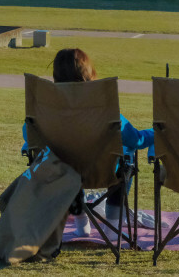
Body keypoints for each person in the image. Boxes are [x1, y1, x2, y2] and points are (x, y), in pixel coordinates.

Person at [22, 48, 157, 230]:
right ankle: (113, 223)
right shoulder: (103, 108)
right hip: (103, 172)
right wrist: (155, 133)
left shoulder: (43, 109)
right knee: (127, 155)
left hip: (60, 173)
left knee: (68, 160)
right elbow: (135, 140)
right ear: (89, 73)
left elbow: (29, 135)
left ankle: (80, 220)